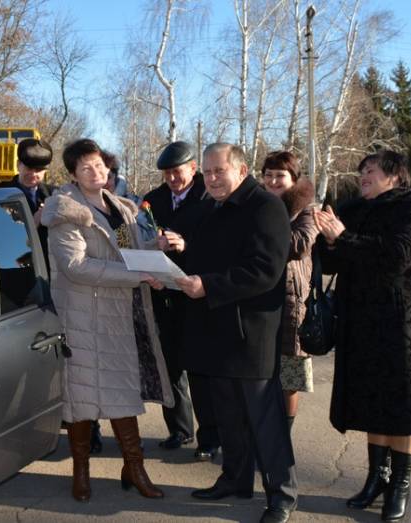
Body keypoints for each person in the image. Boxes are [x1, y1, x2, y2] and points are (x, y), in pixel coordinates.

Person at [40, 138, 175, 502]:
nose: (96, 172)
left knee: (121, 392)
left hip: (118, 315)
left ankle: (134, 466)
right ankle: (80, 470)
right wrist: (138, 276)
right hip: (82, 315)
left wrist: (157, 250)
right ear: (73, 174)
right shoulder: (66, 211)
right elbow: (76, 267)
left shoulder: (120, 208)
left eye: (99, 165)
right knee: (83, 397)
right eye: (86, 168)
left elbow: (126, 251)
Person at [176, 143, 297, 523]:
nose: (211, 178)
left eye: (218, 171)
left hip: (252, 332)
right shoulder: (213, 208)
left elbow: (265, 270)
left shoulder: (265, 207)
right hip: (216, 329)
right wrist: (172, 268)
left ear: (241, 171)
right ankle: (235, 478)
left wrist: (208, 286)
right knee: (228, 416)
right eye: (207, 172)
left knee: (265, 420)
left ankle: (282, 494)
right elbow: (202, 258)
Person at [313, 151, 411, 521]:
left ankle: (399, 483)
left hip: (401, 318)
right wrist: (328, 239)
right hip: (359, 317)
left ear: (395, 176)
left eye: (371, 170)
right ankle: (375, 478)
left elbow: (399, 254)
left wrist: (343, 238)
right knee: (371, 399)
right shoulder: (352, 208)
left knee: (403, 401)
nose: (363, 175)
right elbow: (332, 261)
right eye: (361, 170)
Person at [141, 141, 221, 461]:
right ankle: (179, 429)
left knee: (201, 368)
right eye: (167, 174)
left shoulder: (210, 196)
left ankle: (210, 437)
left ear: (193, 169)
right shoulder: (153, 200)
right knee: (169, 364)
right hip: (163, 293)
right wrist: (150, 251)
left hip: (198, 293)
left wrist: (185, 245)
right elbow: (139, 237)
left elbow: (219, 245)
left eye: (178, 172)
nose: (172, 178)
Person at [259, 151, 317, 434]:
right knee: (260, 374)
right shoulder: (255, 206)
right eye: (268, 175)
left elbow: (300, 243)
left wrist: (259, 234)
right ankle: (263, 435)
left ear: (293, 179)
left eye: (279, 175)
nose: (273, 181)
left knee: (290, 375)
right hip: (258, 300)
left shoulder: (306, 209)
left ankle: (284, 436)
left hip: (293, 303)